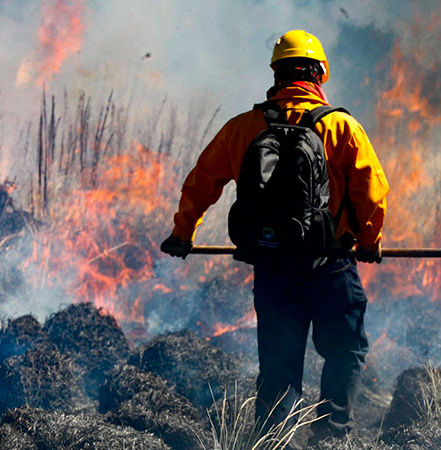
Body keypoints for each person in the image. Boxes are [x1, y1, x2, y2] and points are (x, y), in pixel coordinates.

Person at [161, 29, 389, 441]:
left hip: (272, 268)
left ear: (277, 74)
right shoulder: (341, 127)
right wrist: (369, 242)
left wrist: (182, 233)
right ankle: (331, 437)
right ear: (320, 73)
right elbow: (372, 194)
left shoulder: (244, 127)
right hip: (330, 266)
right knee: (345, 351)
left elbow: (201, 182)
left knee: (279, 367)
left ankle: (272, 441)